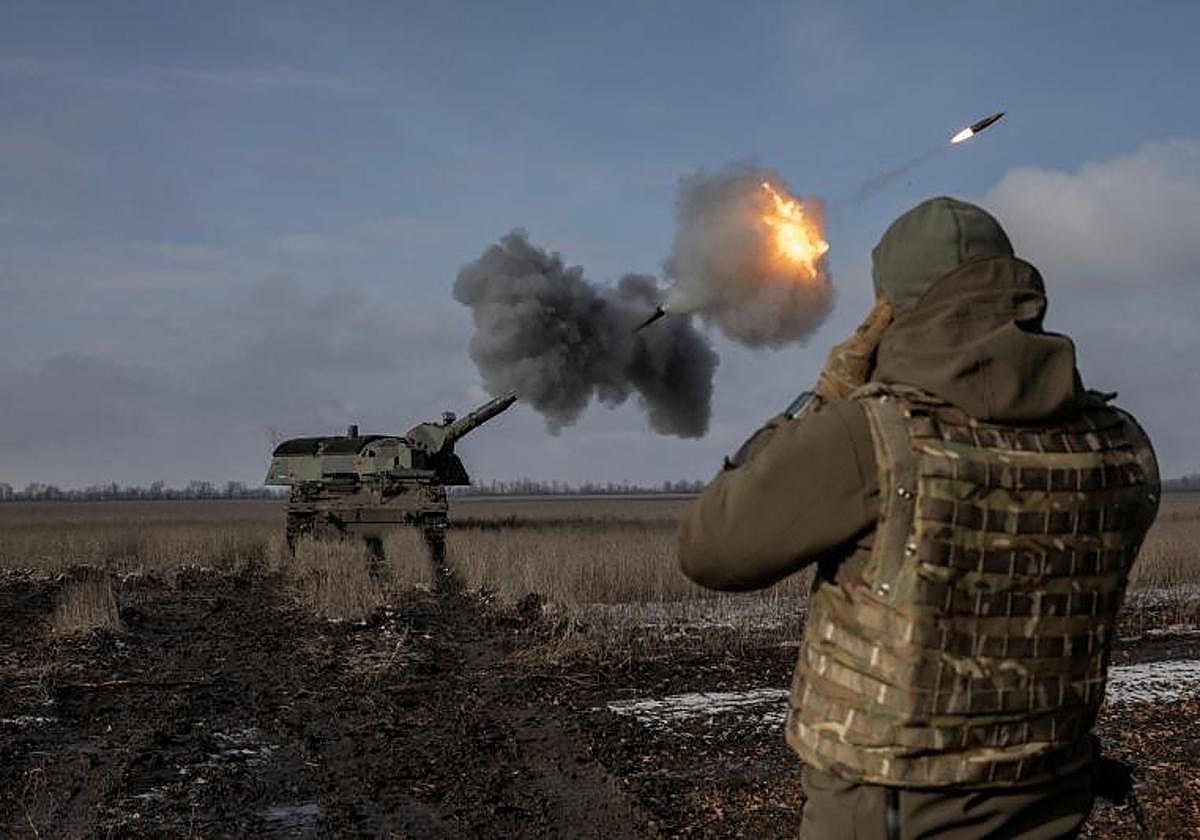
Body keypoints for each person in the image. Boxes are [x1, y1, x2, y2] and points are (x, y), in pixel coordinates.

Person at [678, 197, 1160, 839]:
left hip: (894, 812)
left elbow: (709, 548)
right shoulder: (1118, 444)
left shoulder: (869, 434)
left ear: (890, 311)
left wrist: (823, 398)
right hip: (1051, 795)